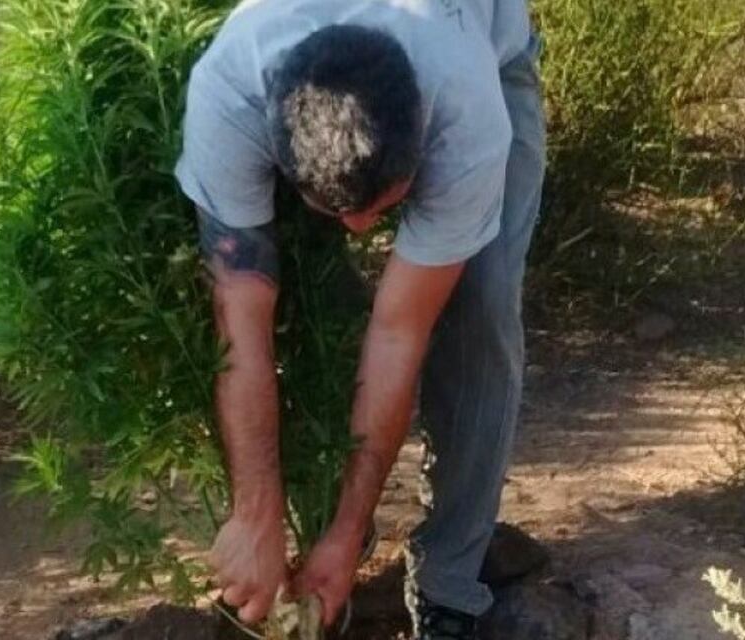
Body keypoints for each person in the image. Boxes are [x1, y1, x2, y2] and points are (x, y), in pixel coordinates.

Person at [175, 0, 546, 637]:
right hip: (290, 86)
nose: (360, 229)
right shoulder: (229, 91)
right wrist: (253, 511)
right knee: (307, 298)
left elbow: (399, 333)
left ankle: (448, 584)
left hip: (487, 47)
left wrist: (345, 536)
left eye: (383, 207)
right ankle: (312, 521)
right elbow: (241, 332)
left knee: (480, 311)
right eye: (337, 208)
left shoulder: (466, 120)